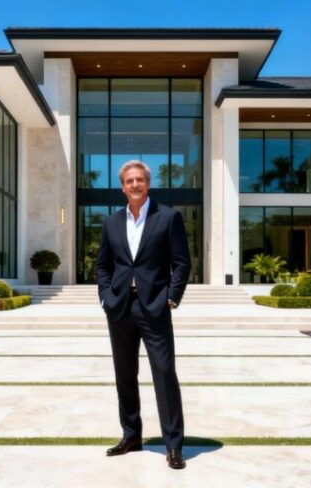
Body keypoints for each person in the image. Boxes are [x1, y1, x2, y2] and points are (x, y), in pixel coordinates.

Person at [96, 159, 190, 470]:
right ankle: (131, 435)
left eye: (140, 180)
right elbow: (103, 265)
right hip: (120, 307)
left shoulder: (169, 217)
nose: (135, 185)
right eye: (129, 181)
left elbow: (182, 263)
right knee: (124, 374)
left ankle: (173, 445)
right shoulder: (111, 222)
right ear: (122, 187)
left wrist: (171, 298)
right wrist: (105, 296)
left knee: (164, 373)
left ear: (148, 184)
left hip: (155, 307)